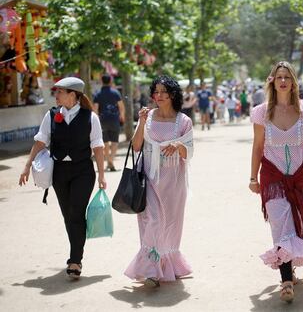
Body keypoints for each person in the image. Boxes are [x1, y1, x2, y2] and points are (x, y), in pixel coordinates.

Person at [249, 61, 303, 303]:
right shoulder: (261, 112)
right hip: (272, 175)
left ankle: (289, 268)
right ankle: (285, 281)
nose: (283, 80)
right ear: (272, 80)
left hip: (302, 174)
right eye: (279, 76)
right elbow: (258, 147)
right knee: (279, 224)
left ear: (293, 82)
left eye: (288, 77)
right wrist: (253, 177)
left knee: (295, 224)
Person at [19, 77, 106, 279]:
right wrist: (26, 166)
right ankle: (75, 252)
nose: (55, 95)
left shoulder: (90, 117)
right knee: (68, 215)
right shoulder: (51, 116)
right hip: (59, 171)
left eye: (59, 92)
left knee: (76, 212)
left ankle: (75, 260)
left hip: (83, 171)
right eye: (55, 92)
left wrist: (102, 175)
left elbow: (98, 147)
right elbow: (40, 142)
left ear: (72, 95)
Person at [125, 75, 194, 288]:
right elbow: (136, 146)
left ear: (174, 95)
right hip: (149, 179)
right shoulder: (149, 117)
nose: (160, 96)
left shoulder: (184, 121)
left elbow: (189, 151)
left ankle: (167, 264)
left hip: (173, 183)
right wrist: (142, 122)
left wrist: (178, 146)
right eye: (156, 92)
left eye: (165, 92)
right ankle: (151, 268)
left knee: (171, 225)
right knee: (153, 221)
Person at [93, 74, 125, 171]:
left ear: (101, 81)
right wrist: (122, 116)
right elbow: (121, 107)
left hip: (102, 121)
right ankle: (111, 160)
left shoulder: (97, 94)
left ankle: (108, 162)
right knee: (115, 141)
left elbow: (95, 109)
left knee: (105, 142)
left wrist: (96, 120)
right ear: (110, 81)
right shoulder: (116, 93)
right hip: (114, 120)